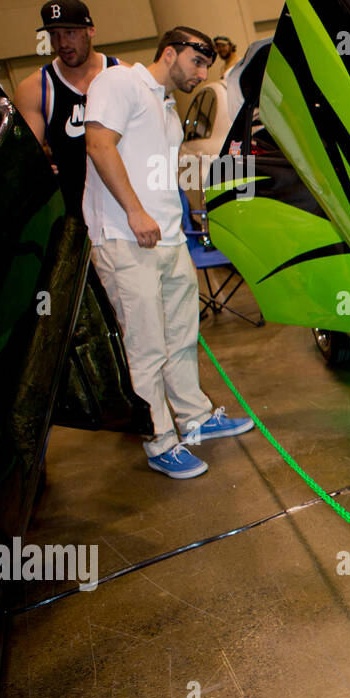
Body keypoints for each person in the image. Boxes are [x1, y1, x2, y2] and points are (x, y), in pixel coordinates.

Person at [83, 26, 255, 479]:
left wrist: (182, 224)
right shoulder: (119, 82)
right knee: (145, 345)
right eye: (196, 63)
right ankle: (160, 440)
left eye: (207, 67)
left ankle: (194, 417)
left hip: (169, 238)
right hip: (124, 236)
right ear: (169, 52)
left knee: (181, 336)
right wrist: (136, 212)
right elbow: (99, 146)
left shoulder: (166, 107)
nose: (201, 74)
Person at [11, 0, 126, 217]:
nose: (62, 43)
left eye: (70, 33)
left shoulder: (124, 74)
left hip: (126, 202)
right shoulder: (36, 89)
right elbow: (25, 160)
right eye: (54, 34)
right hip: (76, 211)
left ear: (91, 30)